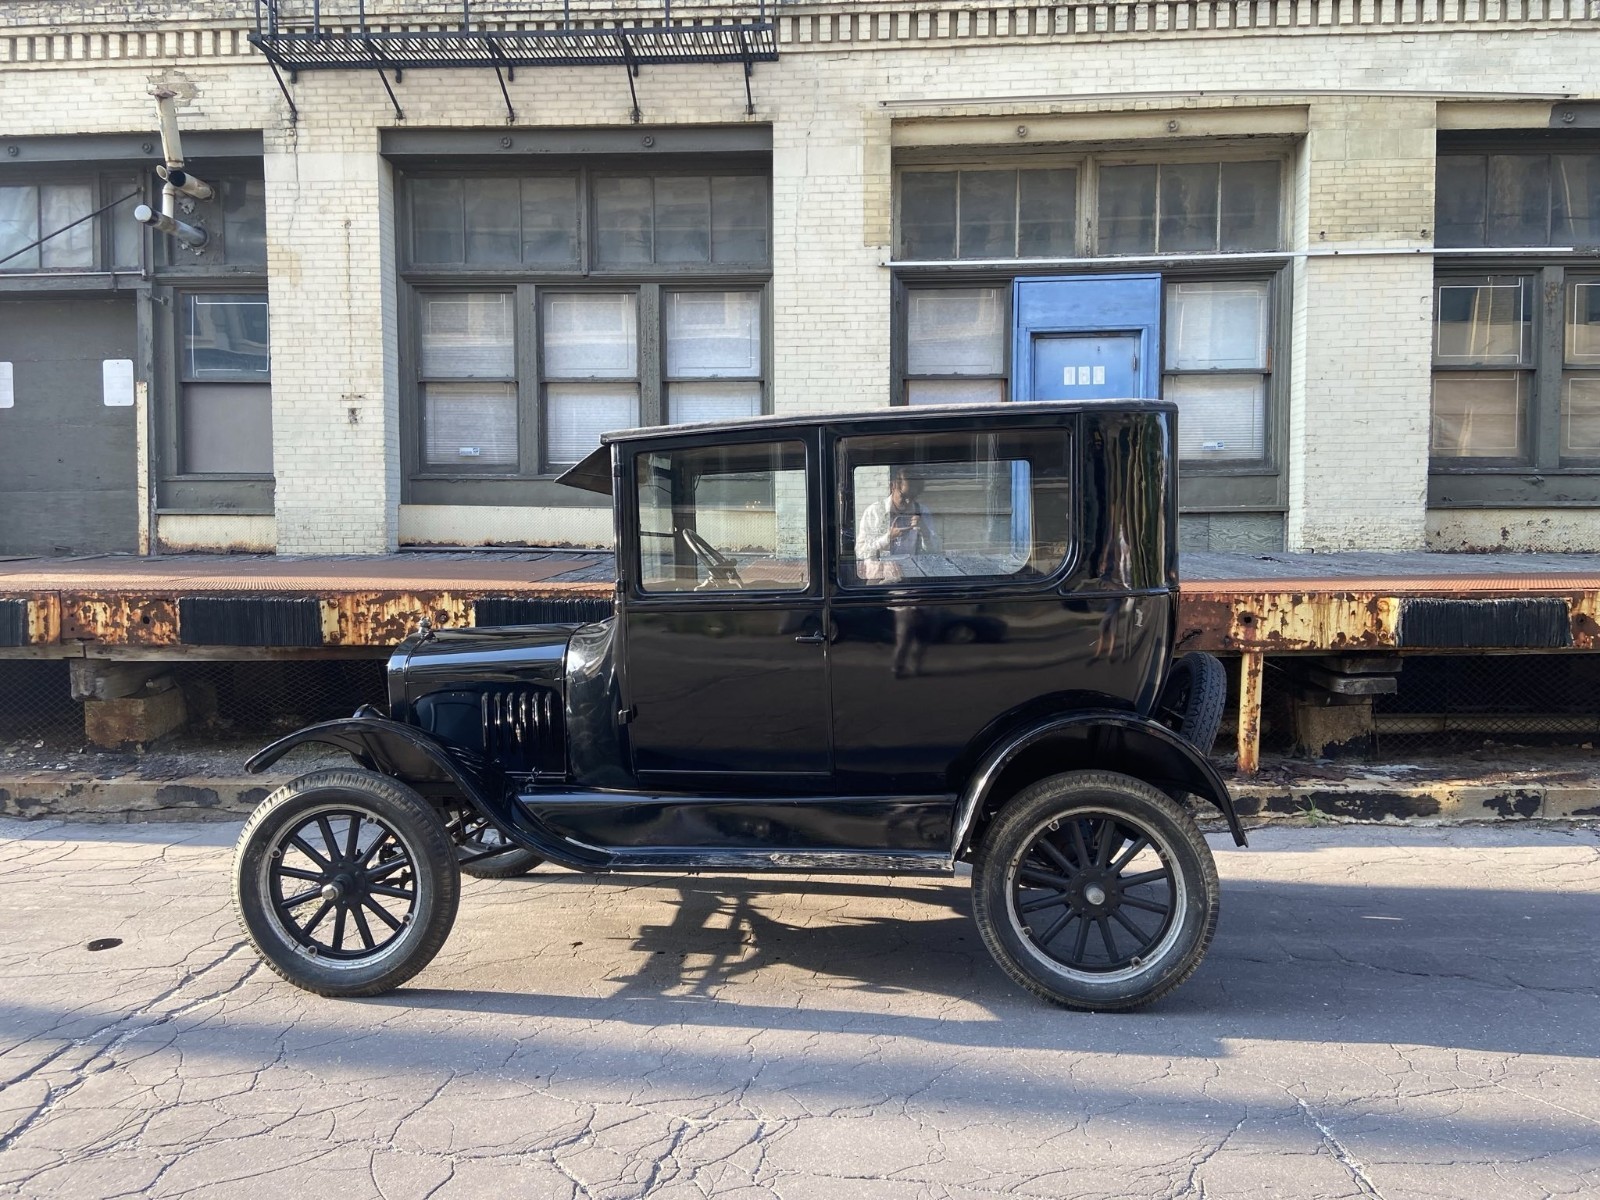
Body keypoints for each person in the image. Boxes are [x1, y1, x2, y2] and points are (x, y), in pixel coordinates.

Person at [854, 466, 941, 582]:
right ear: (892, 487)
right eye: (904, 496)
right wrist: (886, 539)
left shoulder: (922, 512)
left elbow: (935, 552)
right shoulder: (874, 512)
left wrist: (925, 532)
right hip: (879, 579)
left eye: (912, 497)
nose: (908, 501)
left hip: (913, 579)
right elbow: (860, 551)